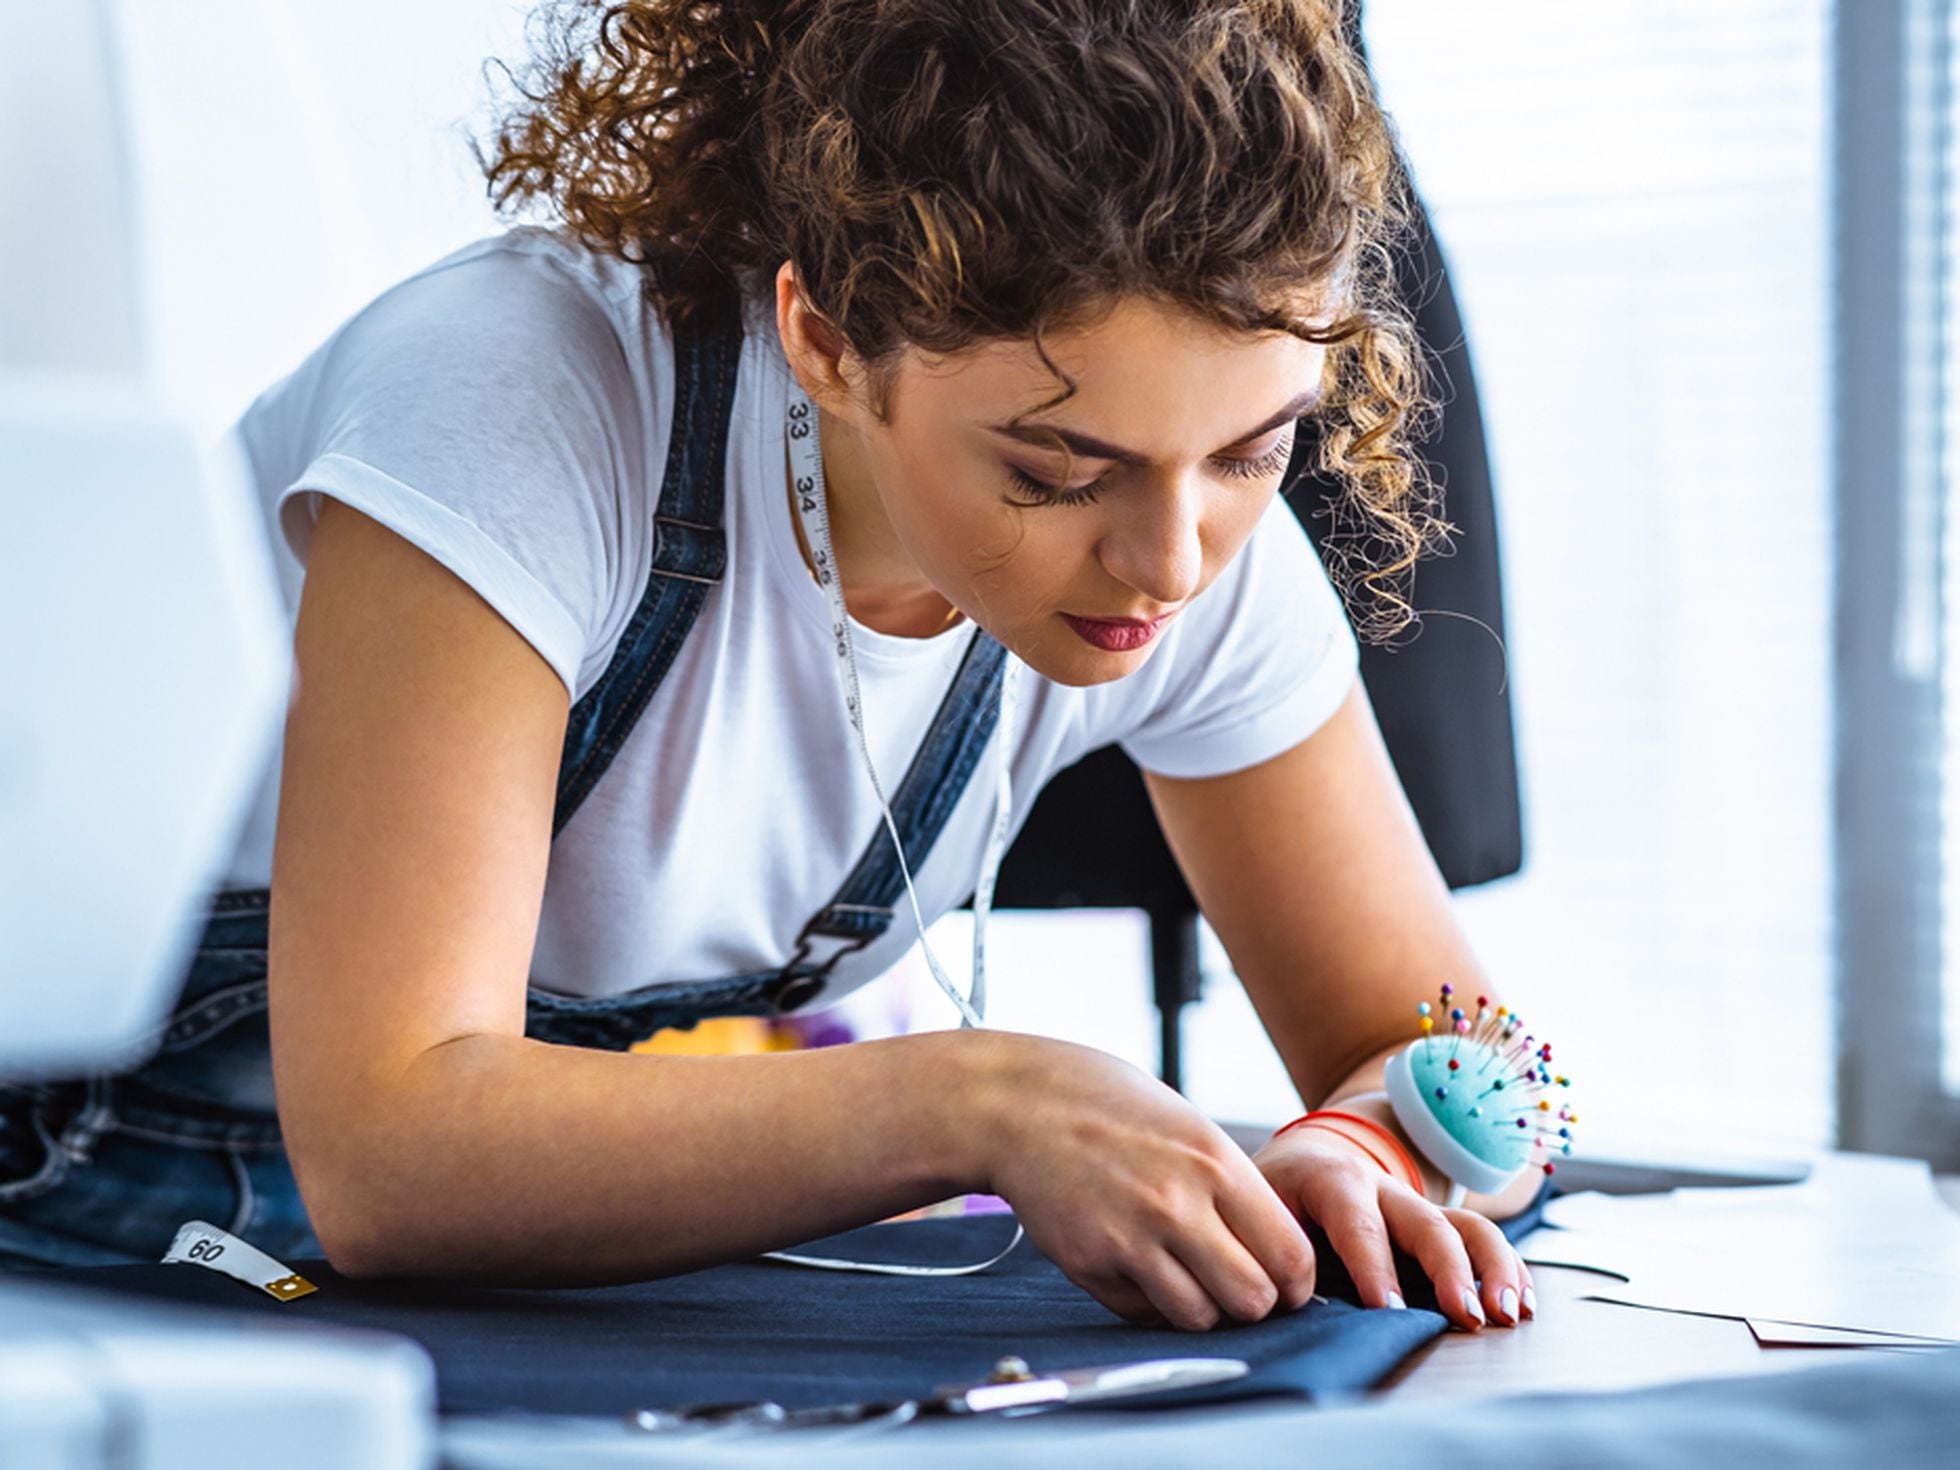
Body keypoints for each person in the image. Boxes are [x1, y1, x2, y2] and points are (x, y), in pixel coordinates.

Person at [0, 0, 1541, 1335]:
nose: (1172, 559)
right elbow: (391, 1143)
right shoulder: (523, 400)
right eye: (1056, 470)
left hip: (467, 1296)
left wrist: (1372, 1145)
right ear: (825, 334)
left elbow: (1486, 1059)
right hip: (74, 1219)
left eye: (1252, 450)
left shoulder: (1197, 560)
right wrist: (980, 1101)